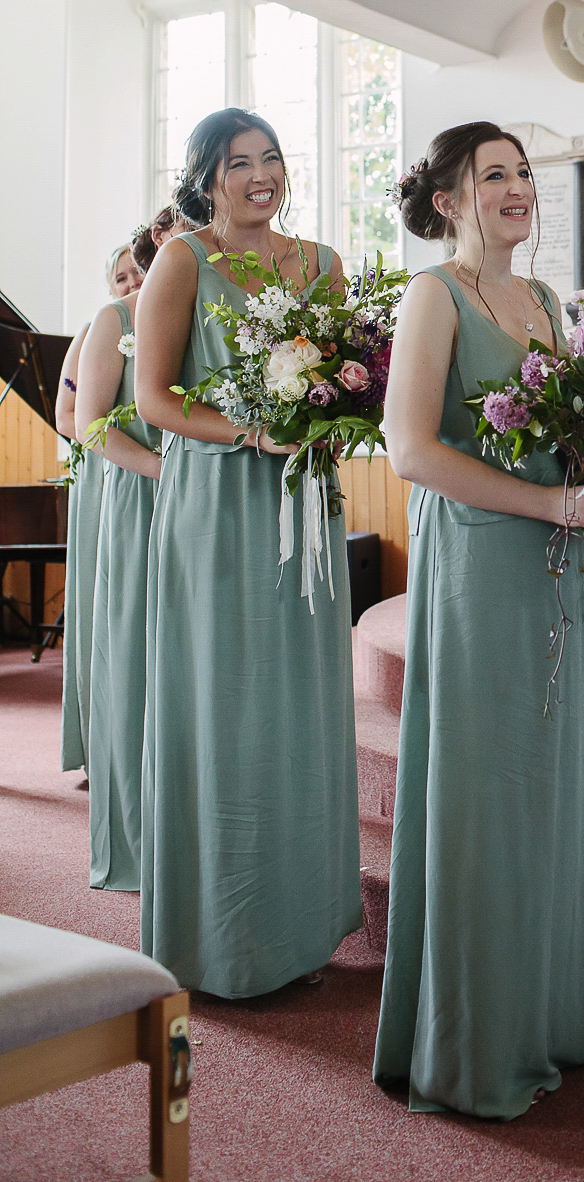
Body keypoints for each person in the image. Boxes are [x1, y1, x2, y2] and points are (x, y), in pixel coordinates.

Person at [373, 122, 584, 1119]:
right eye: (495, 175)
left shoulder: (547, 300)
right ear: (445, 200)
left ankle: (546, 1013)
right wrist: (550, 504)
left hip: (551, 570)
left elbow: (559, 433)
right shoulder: (431, 297)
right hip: (479, 562)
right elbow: (408, 452)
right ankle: (475, 1044)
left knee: (547, 787)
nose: (520, 188)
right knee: (485, 789)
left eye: (524, 172)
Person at [134, 109, 361, 998]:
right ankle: (220, 936)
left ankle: (300, 922)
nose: (259, 175)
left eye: (271, 157)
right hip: (220, 505)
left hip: (304, 500)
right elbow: (153, 398)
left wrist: (334, 419)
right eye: (239, 163)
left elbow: (349, 375)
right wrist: (248, 431)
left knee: (298, 707)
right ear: (207, 178)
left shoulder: (324, 266)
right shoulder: (183, 261)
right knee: (226, 706)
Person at [75, 275, 161, 889]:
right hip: (139, 494)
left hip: (211, 497)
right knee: (134, 657)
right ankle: (136, 832)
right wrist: (165, 470)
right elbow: (88, 422)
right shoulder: (116, 320)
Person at [57, 243, 144, 774]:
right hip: (106, 473)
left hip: (149, 473)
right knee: (102, 605)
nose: (132, 282)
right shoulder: (98, 331)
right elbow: (70, 414)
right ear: (110, 287)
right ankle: (99, 745)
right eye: (121, 277)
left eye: (138, 271)